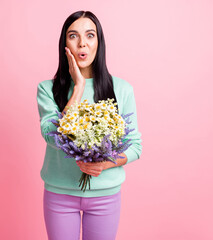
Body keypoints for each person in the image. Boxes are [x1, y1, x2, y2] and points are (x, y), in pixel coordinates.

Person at [36, 10, 143, 240]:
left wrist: (104, 164)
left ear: (99, 42)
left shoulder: (122, 89)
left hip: (106, 197)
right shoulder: (47, 90)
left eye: (90, 35)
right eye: (73, 36)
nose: (82, 43)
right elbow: (52, 135)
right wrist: (79, 87)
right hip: (59, 195)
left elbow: (135, 147)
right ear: (64, 44)